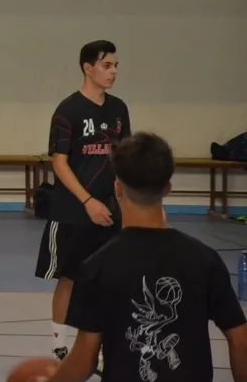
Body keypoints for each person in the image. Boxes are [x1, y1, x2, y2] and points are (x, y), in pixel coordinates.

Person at [40, 132, 247, 382]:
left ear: (118, 188)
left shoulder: (97, 267)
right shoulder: (205, 260)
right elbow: (240, 339)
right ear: (168, 188)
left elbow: (84, 359)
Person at [34, 40, 132, 360]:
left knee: (107, 280)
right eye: (107, 65)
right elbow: (59, 163)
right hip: (73, 210)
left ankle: (97, 344)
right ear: (88, 68)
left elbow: (123, 156)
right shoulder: (68, 110)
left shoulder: (119, 109)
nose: (113, 71)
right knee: (70, 278)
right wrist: (88, 201)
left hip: (110, 210)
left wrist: (122, 197)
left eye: (115, 66)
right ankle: (59, 345)